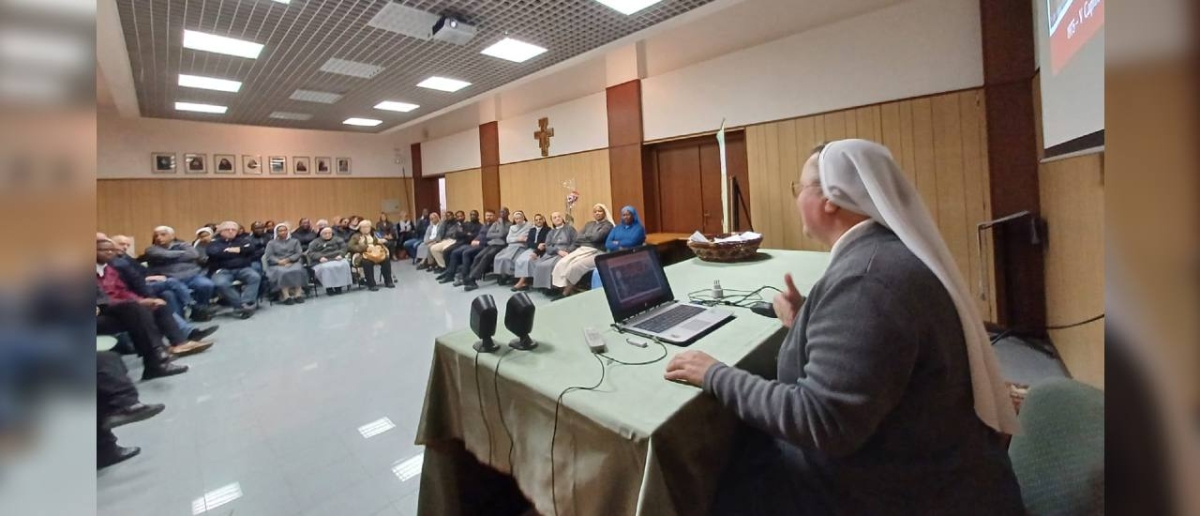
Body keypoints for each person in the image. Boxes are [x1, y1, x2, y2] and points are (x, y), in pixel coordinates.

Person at [664, 140, 1023, 515]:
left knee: (709, 475)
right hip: (915, 462)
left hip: (886, 492)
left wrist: (714, 373)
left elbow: (819, 421)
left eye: (799, 189)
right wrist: (809, 318)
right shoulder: (885, 256)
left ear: (831, 199)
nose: (796, 198)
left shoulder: (866, 283)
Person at [97, 239, 213, 363]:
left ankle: (179, 343)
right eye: (104, 250)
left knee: (157, 305)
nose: (109, 252)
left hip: (121, 309)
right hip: (100, 315)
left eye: (112, 250)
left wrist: (145, 300)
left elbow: (123, 291)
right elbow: (102, 300)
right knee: (137, 309)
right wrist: (139, 303)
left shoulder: (109, 269)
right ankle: (156, 355)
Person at [143, 226, 216, 321]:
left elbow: (194, 254)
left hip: (191, 276)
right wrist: (182, 254)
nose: (159, 238)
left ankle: (200, 311)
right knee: (170, 293)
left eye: (163, 235)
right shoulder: (151, 249)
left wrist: (171, 255)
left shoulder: (183, 244)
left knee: (207, 285)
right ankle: (194, 308)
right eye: (156, 236)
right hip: (169, 278)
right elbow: (163, 255)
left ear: (172, 236)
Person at [551, 204, 613, 296]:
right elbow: (578, 238)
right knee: (562, 263)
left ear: (604, 212)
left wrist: (586, 236)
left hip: (597, 252)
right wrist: (589, 237)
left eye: (600, 211)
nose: (597, 213)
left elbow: (597, 238)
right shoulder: (589, 224)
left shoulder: (608, 225)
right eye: (595, 212)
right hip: (582, 249)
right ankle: (567, 290)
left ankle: (565, 293)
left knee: (576, 266)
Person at [206, 221, 262, 319]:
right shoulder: (214, 242)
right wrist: (238, 251)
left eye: (234, 230)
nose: (231, 232)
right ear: (221, 231)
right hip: (222, 270)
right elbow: (214, 252)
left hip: (242, 268)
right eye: (227, 230)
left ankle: (247, 303)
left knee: (255, 277)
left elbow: (251, 248)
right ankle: (240, 306)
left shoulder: (243, 240)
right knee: (220, 283)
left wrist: (236, 250)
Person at [460, 208, 512, 291]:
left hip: (501, 245)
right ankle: (469, 276)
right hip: (491, 243)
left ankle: (472, 279)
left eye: (504, 212)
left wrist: (501, 224)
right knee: (478, 256)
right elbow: (488, 234)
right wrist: (497, 234)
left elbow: (502, 234)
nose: (502, 213)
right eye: (501, 212)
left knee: (487, 256)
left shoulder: (510, 224)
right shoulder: (495, 223)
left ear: (508, 213)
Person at [525, 212, 577, 292]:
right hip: (553, 252)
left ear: (562, 218)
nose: (557, 218)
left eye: (559, 216)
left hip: (566, 252)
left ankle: (555, 288)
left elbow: (575, 242)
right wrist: (557, 250)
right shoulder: (551, 232)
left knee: (552, 265)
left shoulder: (570, 229)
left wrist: (568, 251)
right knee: (540, 264)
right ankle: (545, 287)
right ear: (552, 221)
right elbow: (548, 246)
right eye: (555, 218)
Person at [439, 210, 493, 284]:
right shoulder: (484, 225)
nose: (488, 217)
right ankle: (450, 275)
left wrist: (478, 241)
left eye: (490, 215)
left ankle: (464, 277)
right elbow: (458, 233)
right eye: (487, 215)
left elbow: (493, 239)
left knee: (466, 253)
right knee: (454, 252)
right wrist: (473, 239)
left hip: (483, 245)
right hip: (472, 243)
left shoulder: (492, 226)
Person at [265, 224, 307, 305]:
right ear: (276, 232)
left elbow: (298, 253)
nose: (283, 232)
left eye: (285, 230)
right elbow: (269, 256)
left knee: (298, 270)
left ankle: (298, 294)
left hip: (293, 262)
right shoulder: (271, 243)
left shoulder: (295, 241)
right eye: (280, 231)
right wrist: (279, 262)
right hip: (277, 264)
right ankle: (286, 296)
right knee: (282, 272)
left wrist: (288, 260)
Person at [348, 220, 394, 291]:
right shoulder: (356, 236)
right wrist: (365, 247)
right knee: (367, 262)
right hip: (362, 255)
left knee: (386, 260)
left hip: (376, 253)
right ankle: (371, 284)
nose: (366, 229)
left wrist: (381, 242)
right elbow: (350, 246)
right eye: (364, 227)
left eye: (368, 227)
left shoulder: (374, 234)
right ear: (360, 228)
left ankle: (388, 281)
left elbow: (379, 243)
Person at [509, 214, 550, 291]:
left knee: (528, 260)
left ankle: (522, 282)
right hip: (532, 248)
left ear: (543, 220)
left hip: (541, 251)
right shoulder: (532, 230)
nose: (538, 221)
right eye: (536, 220)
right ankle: (525, 283)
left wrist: (537, 250)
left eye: (540, 219)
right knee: (519, 260)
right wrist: (537, 245)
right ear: (534, 221)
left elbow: (544, 244)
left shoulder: (548, 230)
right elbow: (529, 242)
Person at [491, 211, 533, 286]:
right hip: (511, 246)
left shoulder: (529, 225)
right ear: (514, 219)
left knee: (512, 259)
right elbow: (508, 239)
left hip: (522, 247)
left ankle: (514, 277)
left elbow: (527, 238)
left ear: (523, 218)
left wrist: (518, 239)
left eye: (520, 218)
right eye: (516, 219)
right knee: (498, 257)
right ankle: (503, 275)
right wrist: (518, 238)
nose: (518, 220)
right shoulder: (512, 227)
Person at [307, 227, 353, 294]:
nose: (327, 235)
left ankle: (339, 287)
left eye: (329, 233)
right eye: (325, 233)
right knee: (327, 268)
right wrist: (319, 257)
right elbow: (311, 252)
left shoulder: (338, 239)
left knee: (343, 264)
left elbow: (344, 248)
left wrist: (341, 255)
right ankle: (329, 288)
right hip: (322, 260)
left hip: (337, 258)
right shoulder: (314, 242)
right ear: (320, 234)